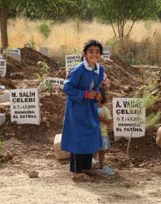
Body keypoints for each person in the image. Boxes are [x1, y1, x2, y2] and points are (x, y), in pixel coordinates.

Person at [61, 40, 106, 182]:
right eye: (91, 51)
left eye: (97, 51)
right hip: (76, 108)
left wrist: (97, 95)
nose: (94, 54)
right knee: (78, 137)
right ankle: (76, 172)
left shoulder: (100, 70)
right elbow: (67, 88)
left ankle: (86, 167)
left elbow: (95, 87)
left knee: (91, 133)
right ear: (85, 54)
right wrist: (86, 94)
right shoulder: (79, 69)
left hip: (90, 108)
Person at [96, 86, 113, 171]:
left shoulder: (105, 110)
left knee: (101, 151)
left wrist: (101, 118)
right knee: (93, 150)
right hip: (92, 133)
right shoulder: (91, 108)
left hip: (102, 133)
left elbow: (109, 121)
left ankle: (101, 165)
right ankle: (93, 165)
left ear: (101, 97)